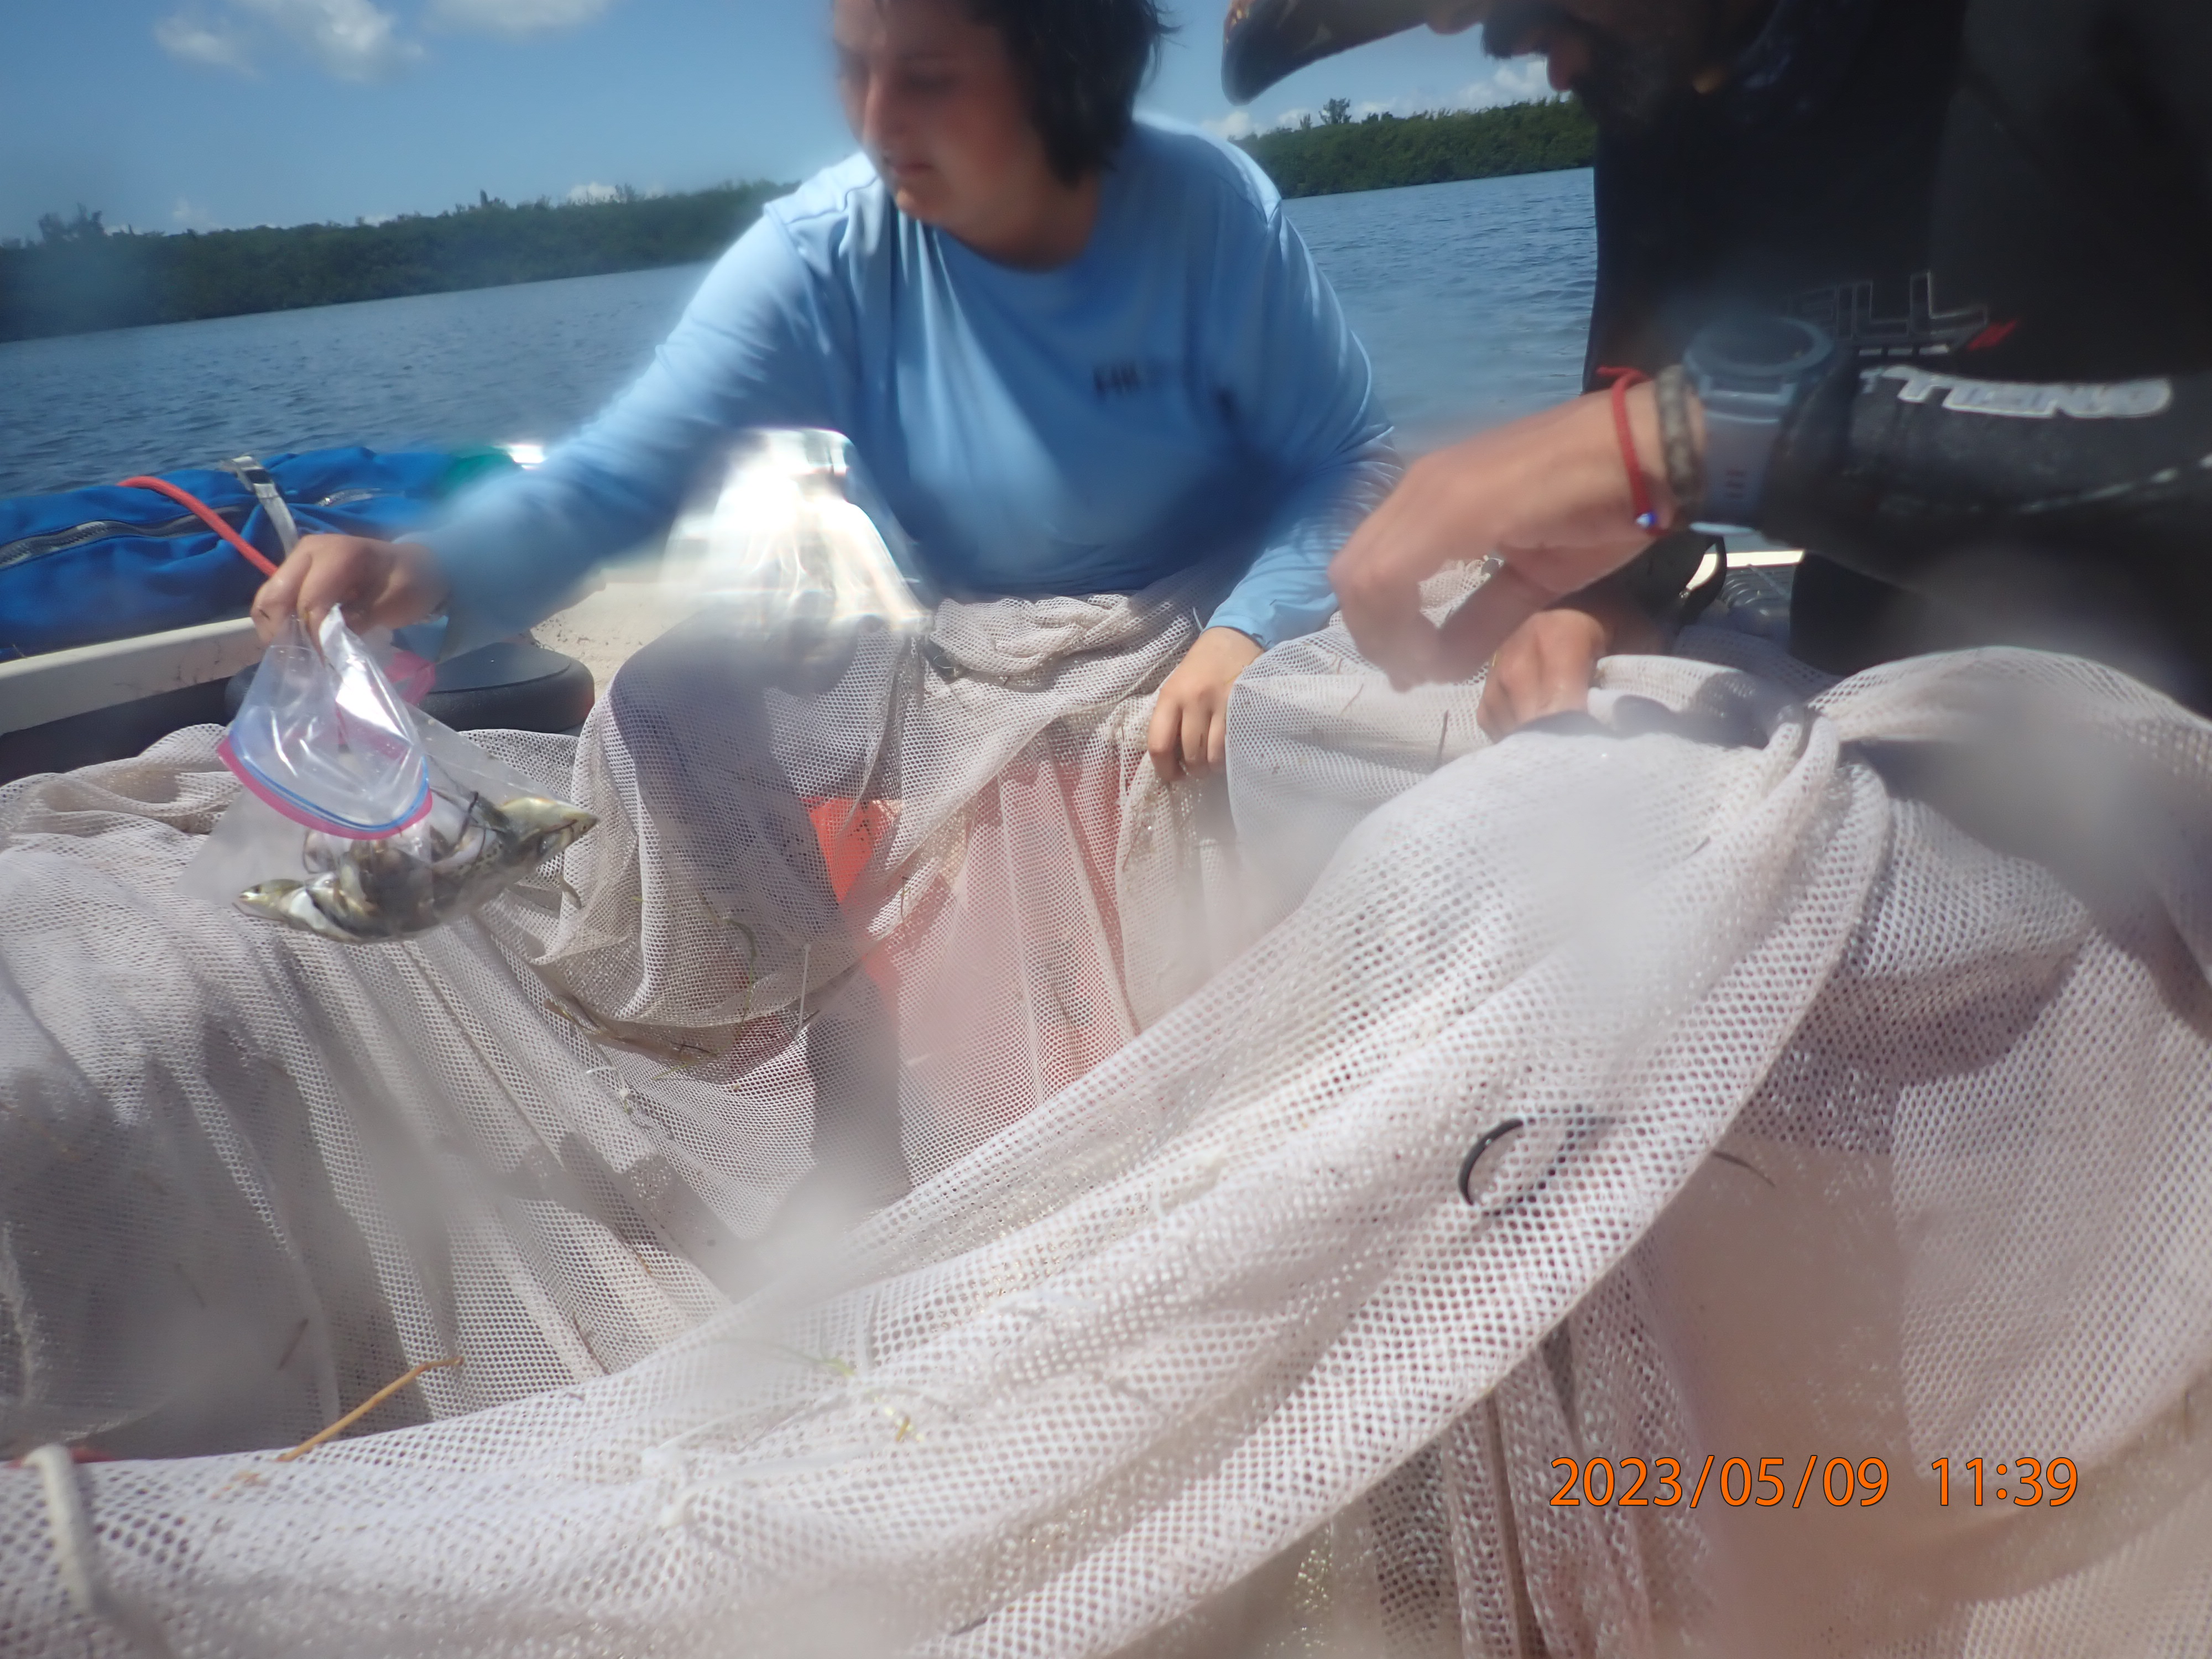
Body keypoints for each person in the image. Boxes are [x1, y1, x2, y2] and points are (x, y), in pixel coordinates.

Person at [258, 0, 1396, 783]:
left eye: (930, 79)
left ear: (1067, 77)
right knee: (658, 712)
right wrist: (420, 568)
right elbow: (616, 481)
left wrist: (1247, 633)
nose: (877, 120)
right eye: (856, 67)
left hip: (1212, 616)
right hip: (963, 647)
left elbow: (1347, 461)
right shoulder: (822, 255)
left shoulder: (1209, 212)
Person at [1225, 0, 2212, 729]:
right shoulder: (1661, 115)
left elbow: (1662, 451)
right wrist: (1603, 607)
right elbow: (1637, 499)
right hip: (1873, 709)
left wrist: (1715, 441)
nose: (1489, 37)